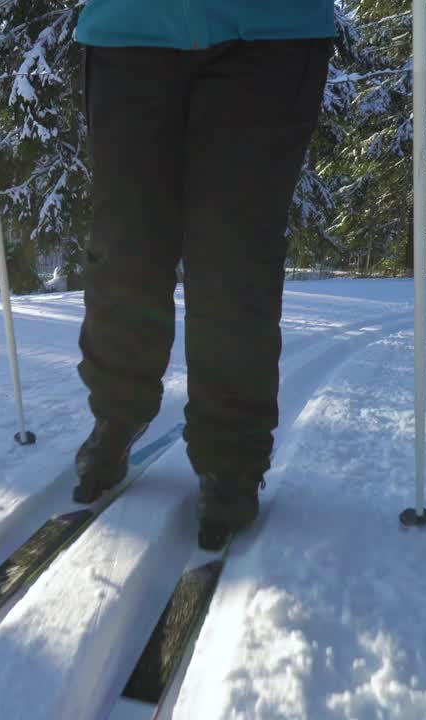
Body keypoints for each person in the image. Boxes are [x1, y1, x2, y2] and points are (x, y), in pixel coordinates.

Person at [70, 1, 336, 550]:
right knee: (127, 243)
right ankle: (118, 412)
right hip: (131, 27)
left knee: (234, 252)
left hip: (269, 32)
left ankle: (231, 456)